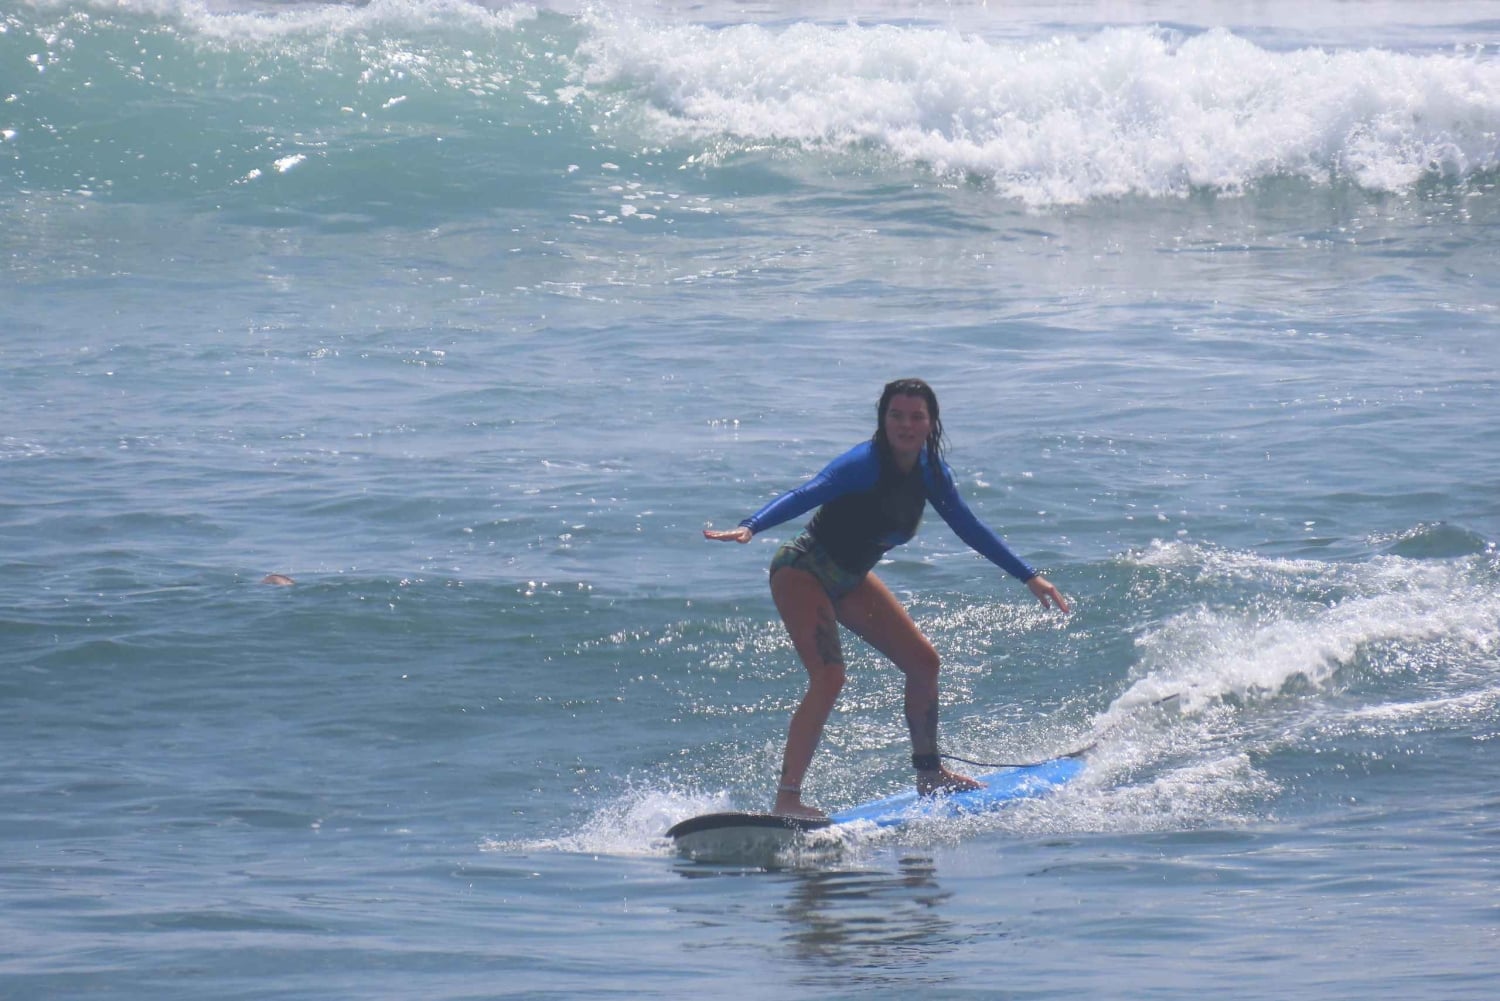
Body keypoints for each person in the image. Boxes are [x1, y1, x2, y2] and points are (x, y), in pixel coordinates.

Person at [704, 378, 1069, 819]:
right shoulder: (864, 463)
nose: (906, 424)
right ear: (883, 419)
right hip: (803, 569)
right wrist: (752, 525)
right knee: (830, 677)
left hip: (851, 578)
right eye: (896, 415)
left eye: (916, 416)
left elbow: (969, 527)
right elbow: (807, 493)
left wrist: (1028, 576)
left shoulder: (932, 473)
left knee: (924, 663)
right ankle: (788, 799)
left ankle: (930, 775)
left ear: (931, 422)